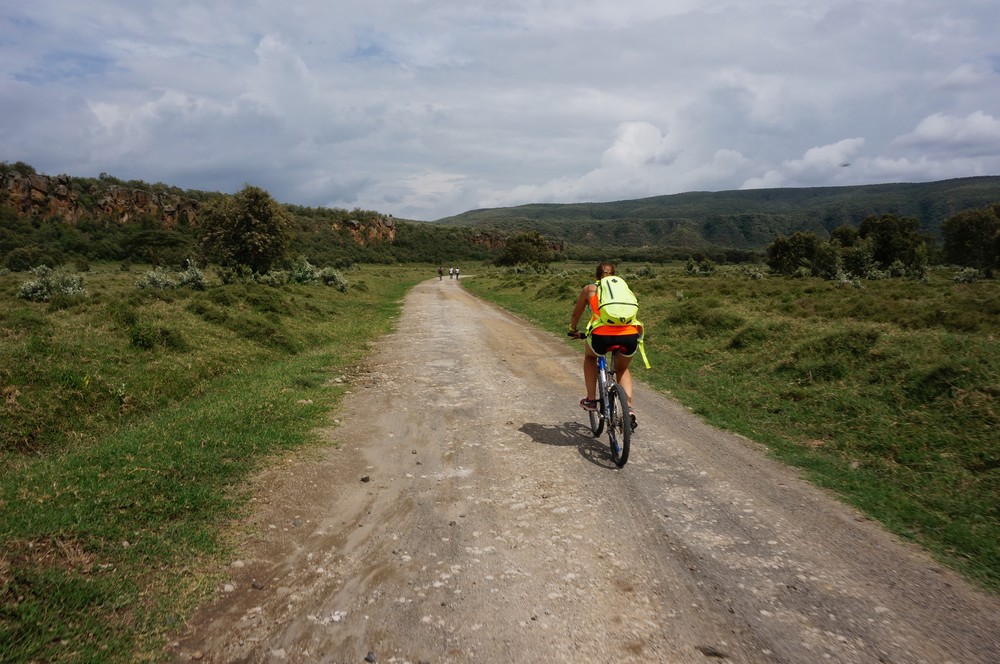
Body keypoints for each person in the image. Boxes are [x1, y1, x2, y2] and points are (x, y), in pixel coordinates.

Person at [568, 262, 640, 429]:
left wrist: (573, 329)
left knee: (590, 357)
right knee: (622, 369)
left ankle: (591, 400)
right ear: (614, 275)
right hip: (629, 334)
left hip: (601, 336)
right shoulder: (622, 287)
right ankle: (628, 410)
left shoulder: (590, 289)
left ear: (597, 276)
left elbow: (576, 313)